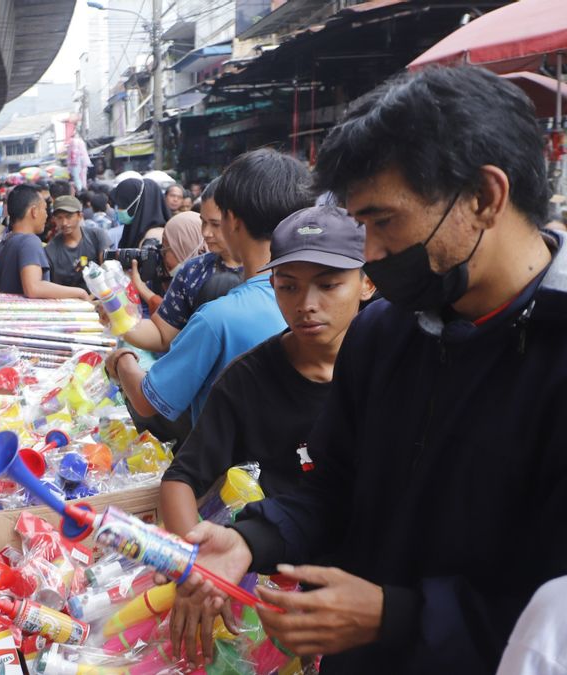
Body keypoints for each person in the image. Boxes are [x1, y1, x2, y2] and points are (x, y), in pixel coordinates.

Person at [170, 67, 567, 674]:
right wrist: (251, 538)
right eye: (362, 227)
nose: (373, 254)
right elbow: (331, 484)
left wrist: (396, 615)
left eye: (384, 222)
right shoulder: (386, 333)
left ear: (485, 198)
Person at [159, 205, 374, 538]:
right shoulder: (246, 379)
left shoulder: (390, 368)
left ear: (367, 283)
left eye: (328, 285)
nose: (306, 304)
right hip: (268, 563)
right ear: (273, 284)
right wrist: (195, 560)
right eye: (289, 287)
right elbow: (182, 478)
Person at [105, 148, 311, 429]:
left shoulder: (217, 319)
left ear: (233, 221)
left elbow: (146, 400)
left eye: (216, 221)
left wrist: (122, 360)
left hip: (225, 469)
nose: (207, 233)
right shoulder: (316, 302)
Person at [116, 178, 243, 353]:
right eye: (203, 222)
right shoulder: (193, 270)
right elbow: (162, 335)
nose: (205, 233)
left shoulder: (271, 273)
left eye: (215, 224)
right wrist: (115, 314)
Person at [0, 184, 89, 299]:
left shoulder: (4, 243)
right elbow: (33, 288)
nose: (47, 215)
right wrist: (80, 293)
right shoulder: (29, 241)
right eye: (44, 209)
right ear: (34, 211)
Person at [128, 211, 205, 314]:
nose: (161, 254)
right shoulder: (164, 278)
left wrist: (142, 289)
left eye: (165, 249)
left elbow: (175, 322)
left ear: (186, 247)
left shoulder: (207, 284)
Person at [45, 195, 112, 289]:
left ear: (80, 216)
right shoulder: (50, 250)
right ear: (54, 219)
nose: (64, 223)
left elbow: (107, 271)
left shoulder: (97, 236)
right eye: (59, 218)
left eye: (69, 217)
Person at [112, 177, 168, 249]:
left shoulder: (154, 236)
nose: (118, 210)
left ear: (135, 204)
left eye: (123, 205)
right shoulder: (133, 229)